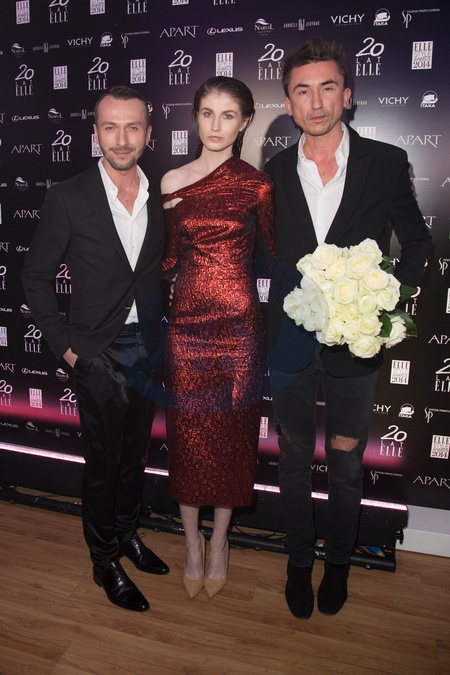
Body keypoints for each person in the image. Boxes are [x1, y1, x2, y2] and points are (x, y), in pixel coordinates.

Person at [265, 37, 431, 619]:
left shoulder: (385, 162)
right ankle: (297, 563)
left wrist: (384, 308)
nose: (315, 102)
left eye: (327, 88)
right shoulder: (273, 172)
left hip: (355, 342)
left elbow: (417, 244)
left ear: (348, 95)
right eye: (302, 91)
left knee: (344, 458)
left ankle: (337, 563)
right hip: (288, 340)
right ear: (289, 103)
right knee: (291, 457)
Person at [22, 85, 170, 613]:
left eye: (132, 127)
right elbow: (35, 277)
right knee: (103, 462)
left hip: (149, 347)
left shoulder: (165, 195)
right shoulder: (68, 196)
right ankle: (103, 559)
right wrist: (68, 350)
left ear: (148, 133)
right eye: (110, 127)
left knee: (136, 456)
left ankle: (126, 534)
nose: (121, 139)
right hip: (96, 352)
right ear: (95, 134)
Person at [160, 76, 275, 598]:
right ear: (195, 117)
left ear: (245, 121)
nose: (216, 125)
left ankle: (221, 540)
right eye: (207, 113)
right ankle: (191, 543)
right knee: (188, 437)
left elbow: (277, 255)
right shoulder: (172, 181)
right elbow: (167, 260)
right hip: (187, 326)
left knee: (231, 438)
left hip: (239, 329)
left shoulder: (258, 185)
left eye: (228, 115)